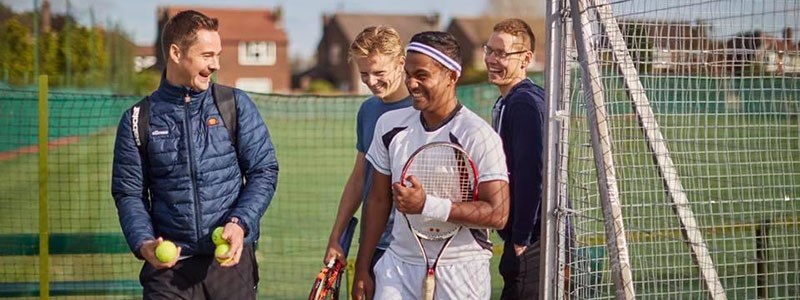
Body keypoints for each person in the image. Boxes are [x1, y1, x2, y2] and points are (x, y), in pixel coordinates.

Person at [111, 10, 279, 299]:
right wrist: (144, 243)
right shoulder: (138, 118)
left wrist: (239, 223)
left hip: (229, 265)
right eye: (207, 55)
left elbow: (264, 170)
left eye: (218, 55)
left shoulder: (234, 105)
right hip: (168, 271)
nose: (215, 64)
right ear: (176, 53)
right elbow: (129, 194)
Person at [352, 31, 510, 300]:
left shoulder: (477, 135)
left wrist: (427, 205)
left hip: (462, 269)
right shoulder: (389, 126)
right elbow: (378, 200)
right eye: (409, 74)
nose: (412, 83)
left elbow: (498, 213)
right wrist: (363, 267)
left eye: (422, 75)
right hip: (398, 265)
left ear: (451, 76)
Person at [323, 26, 412, 277]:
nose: (371, 81)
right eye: (364, 73)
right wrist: (336, 236)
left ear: (400, 64)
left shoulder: (422, 110)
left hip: (414, 248)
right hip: (373, 244)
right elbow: (360, 177)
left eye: (379, 72)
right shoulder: (367, 110)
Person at [483, 18, 546, 299]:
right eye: (489, 50)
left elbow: (533, 173)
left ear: (526, 59)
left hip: (533, 240)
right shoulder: (508, 100)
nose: (492, 59)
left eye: (502, 53)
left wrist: (521, 237)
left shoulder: (523, 103)